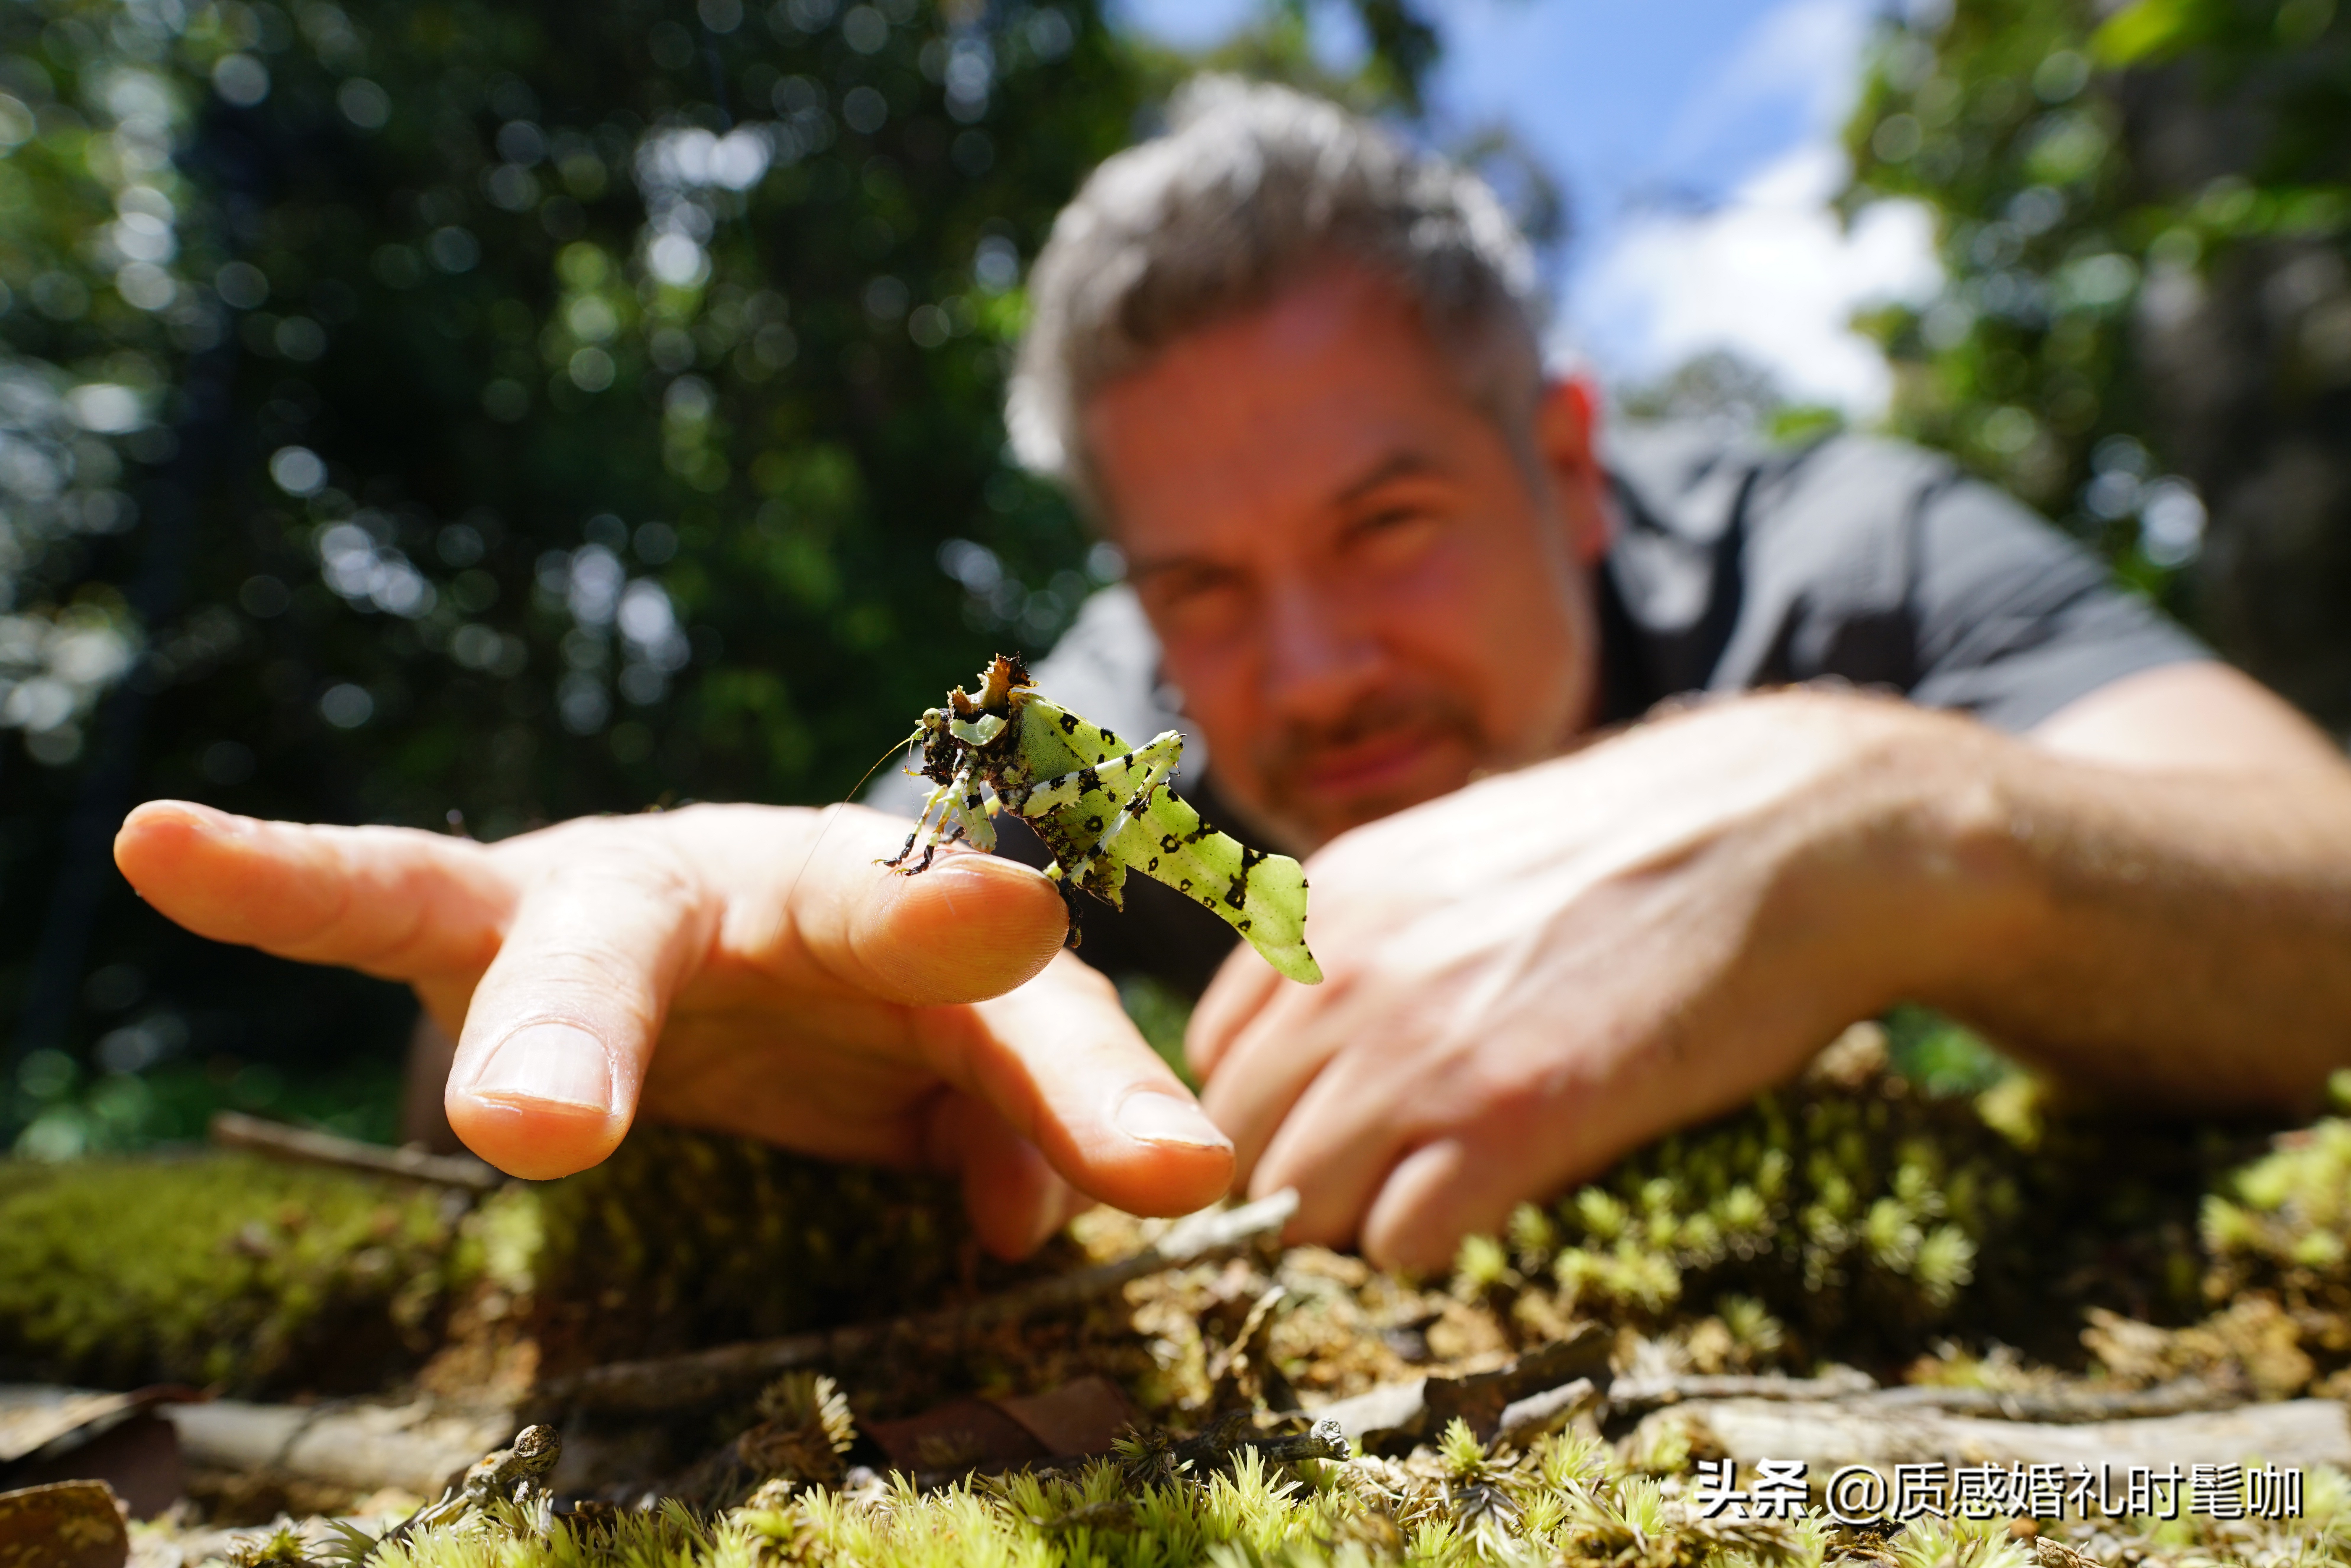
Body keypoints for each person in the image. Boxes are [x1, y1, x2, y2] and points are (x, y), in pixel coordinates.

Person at [115, 80, 2351, 1274]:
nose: (1306, 670)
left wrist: (1892, 816)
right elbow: (799, 912)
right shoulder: (1088, 733)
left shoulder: (1844, 553)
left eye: (1388, 529)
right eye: (1199, 578)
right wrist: (596, 984)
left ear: (1562, 458)